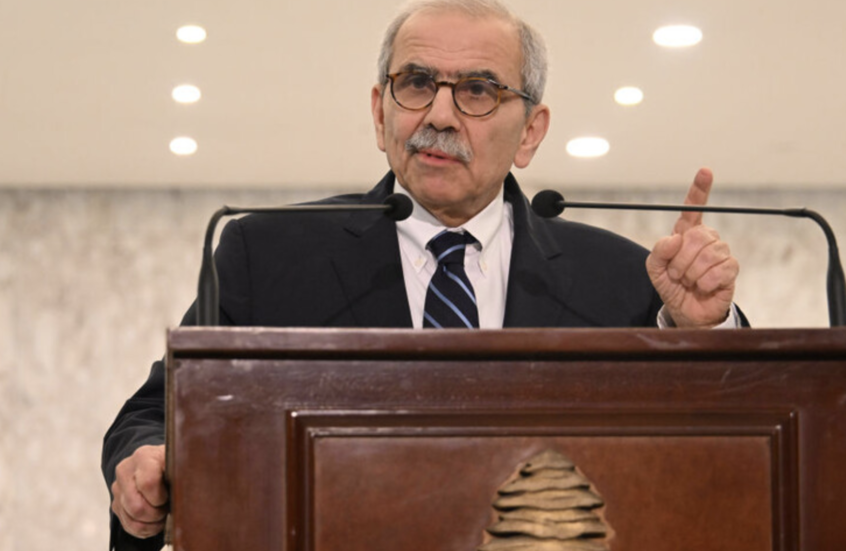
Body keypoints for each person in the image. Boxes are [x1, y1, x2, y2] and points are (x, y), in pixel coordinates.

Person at [102, 0, 742, 549]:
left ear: (530, 132)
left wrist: (702, 332)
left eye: (478, 90)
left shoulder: (622, 277)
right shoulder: (266, 251)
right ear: (380, 111)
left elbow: (713, 459)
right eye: (415, 83)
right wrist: (145, 465)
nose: (438, 115)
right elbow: (156, 414)